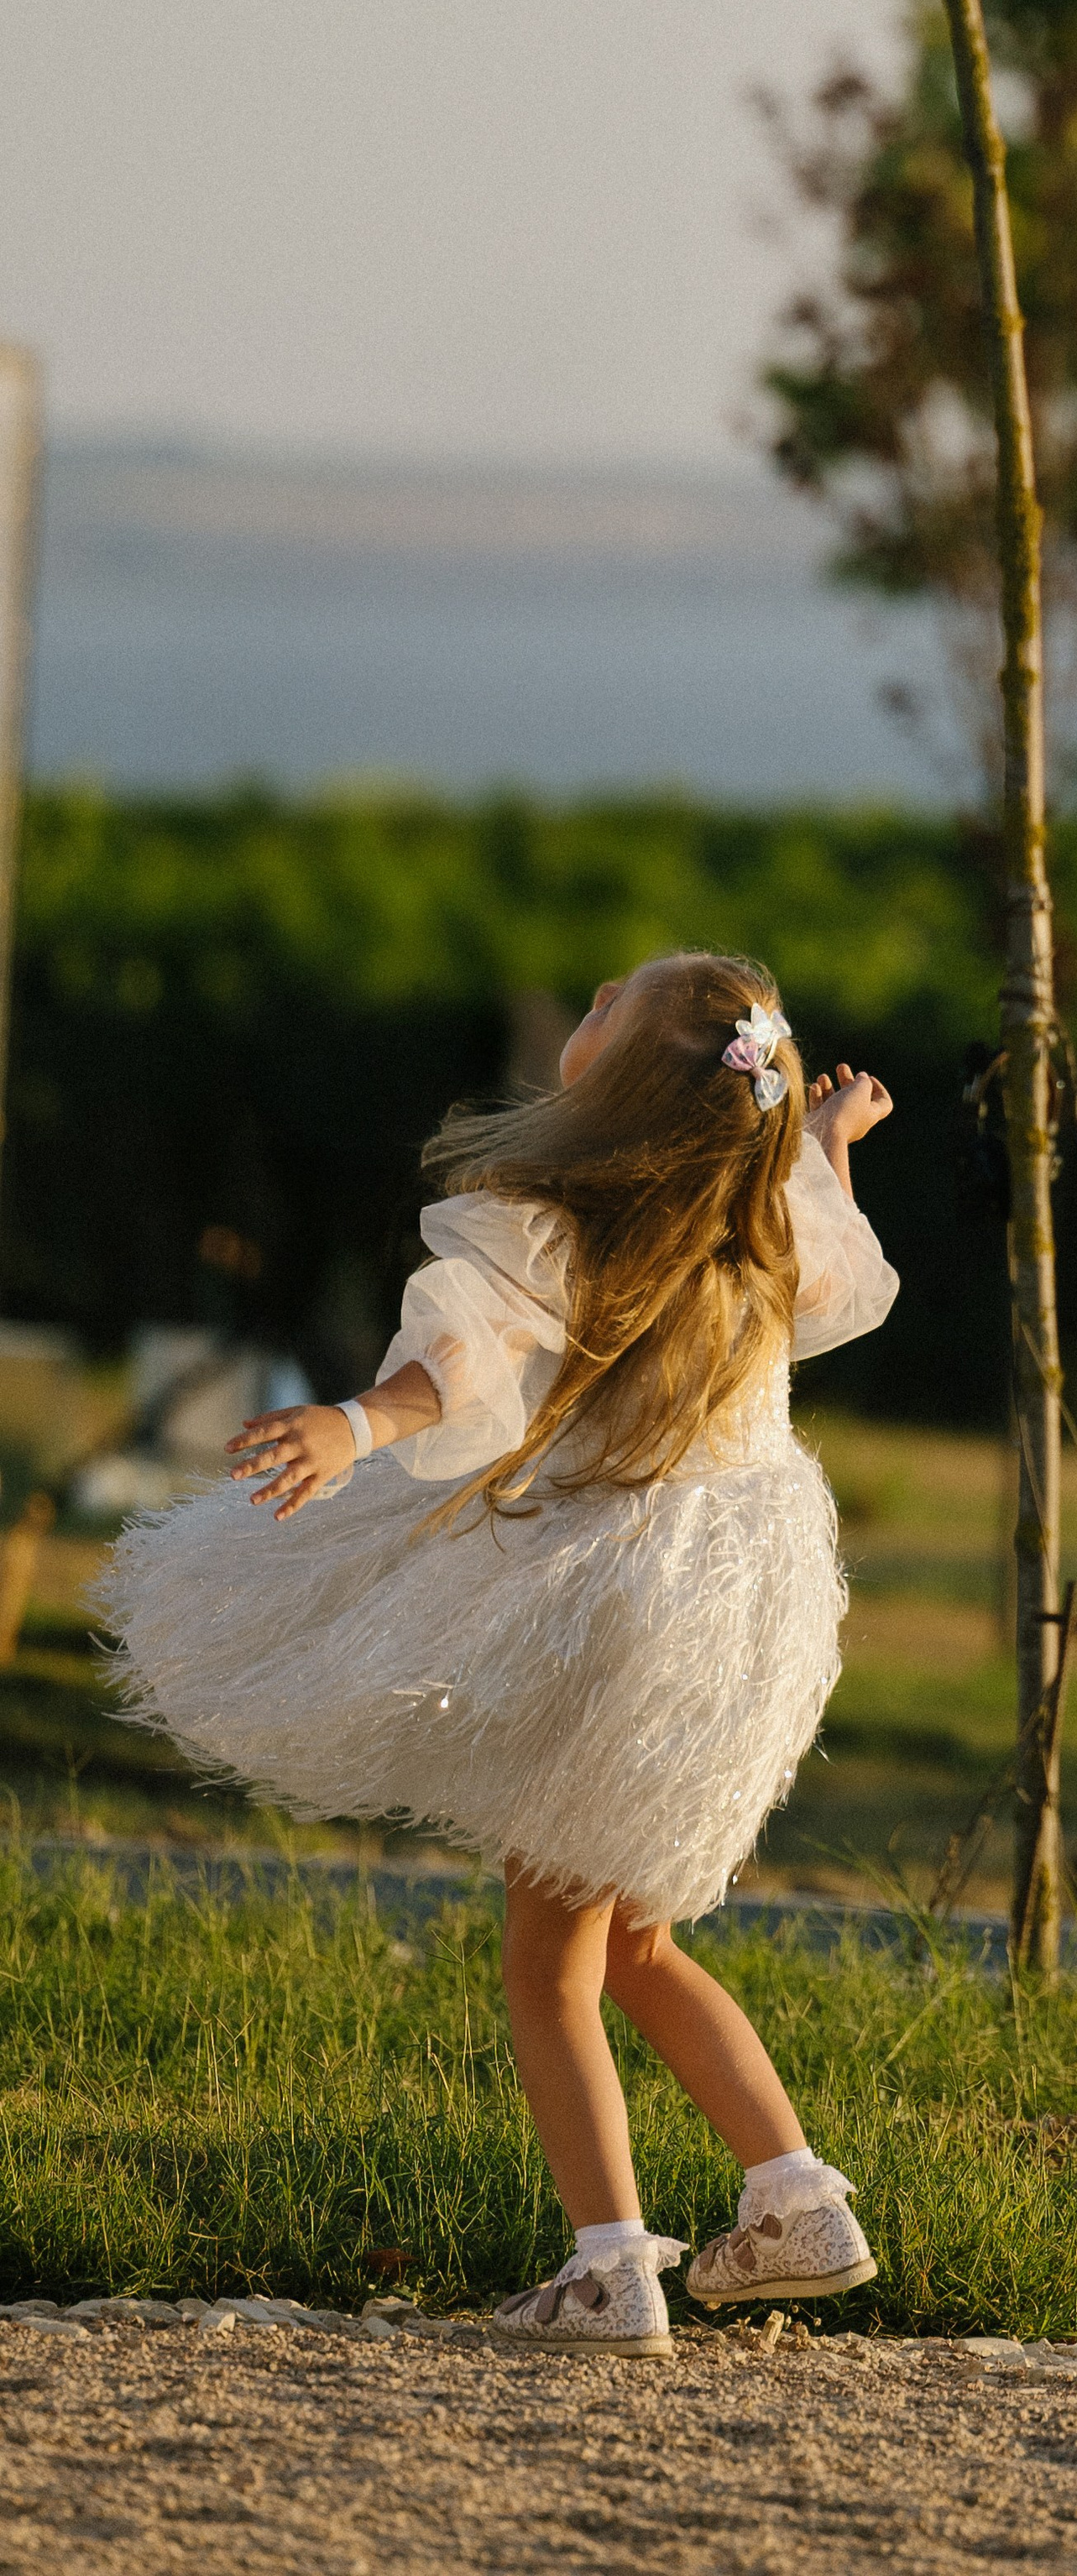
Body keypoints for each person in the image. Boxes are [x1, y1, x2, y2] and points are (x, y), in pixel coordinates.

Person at [102, 949, 898, 2360]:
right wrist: (821, 1147)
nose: (580, 1017)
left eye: (603, 1007)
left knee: (553, 1969)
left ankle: (610, 2269)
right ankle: (795, 2200)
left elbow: (470, 1364)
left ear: (623, 1077)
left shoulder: (556, 1219)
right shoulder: (759, 1222)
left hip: (609, 1612)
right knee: (639, 1936)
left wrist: (355, 1426)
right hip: (734, 1616)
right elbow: (829, 1260)